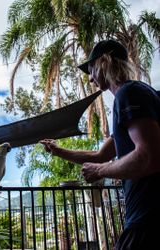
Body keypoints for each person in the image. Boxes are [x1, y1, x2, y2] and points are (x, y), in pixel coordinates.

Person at [40, 39, 160, 249]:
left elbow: (149, 157)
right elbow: (101, 155)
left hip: (148, 215)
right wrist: (58, 151)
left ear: (104, 62)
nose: (91, 79)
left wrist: (101, 171)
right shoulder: (142, 95)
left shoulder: (128, 93)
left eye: (91, 69)